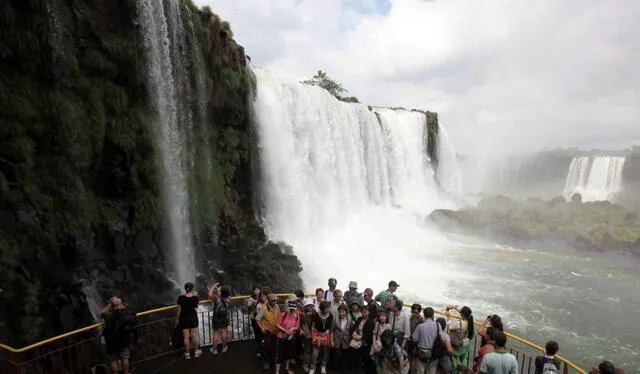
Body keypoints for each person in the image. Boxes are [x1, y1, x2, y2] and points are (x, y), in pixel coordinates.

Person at [101, 296, 137, 374]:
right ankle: (126, 373)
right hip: (124, 338)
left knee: (112, 359)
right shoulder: (127, 312)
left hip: (112, 340)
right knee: (125, 357)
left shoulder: (109, 314)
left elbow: (102, 313)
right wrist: (119, 303)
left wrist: (110, 305)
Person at [176, 282, 201, 359]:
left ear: (185, 288)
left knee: (186, 337)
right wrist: (195, 296)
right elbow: (196, 306)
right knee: (194, 335)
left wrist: (177, 319)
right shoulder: (195, 297)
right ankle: (196, 352)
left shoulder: (180, 298)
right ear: (191, 288)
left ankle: (187, 354)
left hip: (183, 318)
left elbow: (178, 310)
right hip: (193, 317)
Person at [275, 301, 300, 374]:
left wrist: (294, 328)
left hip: (290, 337)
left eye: (293, 309)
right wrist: (285, 330)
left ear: (296, 308)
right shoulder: (284, 314)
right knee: (279, 354)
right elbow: (277, 324)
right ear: (289, 308)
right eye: (291, 309)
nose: (292, 310)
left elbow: (297, 326)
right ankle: (277, 372)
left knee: (288, 353)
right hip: (281, 337)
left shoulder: (297, 316)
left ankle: (287, 368)